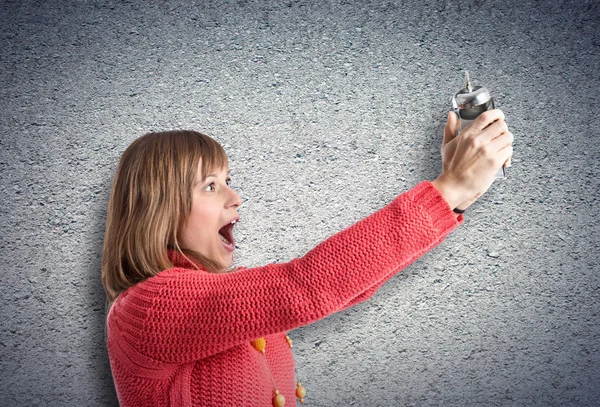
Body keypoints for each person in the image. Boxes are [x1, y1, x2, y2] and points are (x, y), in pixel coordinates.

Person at [102, 110, 513, 407]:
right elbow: (306, 286)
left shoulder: (209, 300)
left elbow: (347, 289)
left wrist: (461, 195)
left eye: (228, 181)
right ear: (158, 207)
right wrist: (446, 190)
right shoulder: (148, 307)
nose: (234, 197)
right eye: (210, 186)